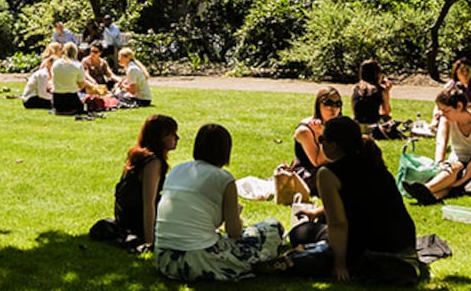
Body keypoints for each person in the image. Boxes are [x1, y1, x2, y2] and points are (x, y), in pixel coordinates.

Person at [286, 116, 418, 282]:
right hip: (401, 239)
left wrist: (340, 264)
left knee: (300, 233)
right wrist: (317, 211)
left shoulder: (328, 174)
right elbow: (361, 199)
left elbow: (338, 224)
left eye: (322, 139)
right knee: (319, 223)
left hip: (367, 242)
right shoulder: (372, 160)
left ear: (333, 145)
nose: (320, 143)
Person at [154, 124, 284, 282]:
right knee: (271, 227)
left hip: (164, 258)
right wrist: (234, 214)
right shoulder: (223, 178)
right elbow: (234, 232)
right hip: (199, 259)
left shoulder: (177, 170)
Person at [403, 85, 471, 205]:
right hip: (456, 161)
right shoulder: (446, 120)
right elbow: (441, 142)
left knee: (456, 172)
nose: (442, 114)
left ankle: (426, 189)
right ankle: (431, 196)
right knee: (453, 167)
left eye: (446, 110)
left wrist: (462, 180)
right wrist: (440, 164)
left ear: (459, 106)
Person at [114, 115, 179, 249]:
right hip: (137, 219)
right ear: (159, 138)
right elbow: (148, 203)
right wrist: (149, 241)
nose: (176, 138)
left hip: (125, 216)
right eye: (171, 134)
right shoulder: (153, 163)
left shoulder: (139, 155)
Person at [292, 87, 343, 194]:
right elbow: (317, 162)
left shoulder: (336, 125)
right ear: (318, 105)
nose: (333, 108)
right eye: (328, 103)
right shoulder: (305, 130)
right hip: (310, 174)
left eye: (337, 104)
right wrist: (322, 136)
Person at [351, 58, 391, 127]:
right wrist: (387, 91)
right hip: (373, 124)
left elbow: (353, 110)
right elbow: (386, 111)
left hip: (357, 123)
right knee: (387, 118)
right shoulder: (380, 90)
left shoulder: (355, 88)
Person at [50, 43, 87, 114]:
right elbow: (82, 85)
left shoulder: (56, 64)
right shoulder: (78, 65)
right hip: (71, 98)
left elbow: (53, 78)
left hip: (56, 98)